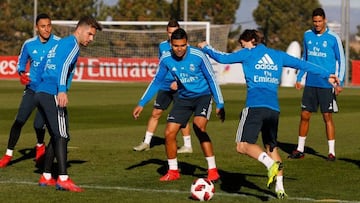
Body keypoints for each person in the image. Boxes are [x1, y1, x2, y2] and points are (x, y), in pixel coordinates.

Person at [198, 29, 339, 199]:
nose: (241, 45)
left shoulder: (248, 54)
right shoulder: (278, 55)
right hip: (273, 110)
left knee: (242, 145)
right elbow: (304, 64)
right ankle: (280, 188)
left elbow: (222, 58)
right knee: (271, 148)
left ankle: (270, 164)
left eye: (242, 42)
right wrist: (327, 75)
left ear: (250, 40)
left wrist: (206, 47)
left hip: (255, 107)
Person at [133, 28, 225, 182]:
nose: (179, 49)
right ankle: (173, 171)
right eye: (176, 46)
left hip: (203, 96)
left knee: (199, 126)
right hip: (183, 98)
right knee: (169, 133)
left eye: (182, 45)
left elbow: (211, 79)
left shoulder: (198, 55)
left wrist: (220, 103)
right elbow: (157, 81)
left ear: (187, 43)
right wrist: (142, 103)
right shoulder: (166, 58)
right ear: (171, 45)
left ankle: (213, 170)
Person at [35, 16, 102, 192]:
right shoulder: (73, 44)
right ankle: (63, 178)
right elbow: (64, 66)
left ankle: (47, 176)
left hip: (41, 92)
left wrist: (38, 86)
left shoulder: (58, 44)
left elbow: (42, 65)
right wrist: (62, 90)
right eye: (90, 34)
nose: (91, 38)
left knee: (57, 135)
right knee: (63, 136)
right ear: (80, 29)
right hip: (53, 92)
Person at [0, 13, 60, 168]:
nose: (47, 29)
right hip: (32, 89)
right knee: (19, 120)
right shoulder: (29, 44)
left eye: (49, 26)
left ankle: (40, 145)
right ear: (36, 28)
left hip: (48, 91)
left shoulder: (59, 44)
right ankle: (8, 155)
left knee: (38, 125)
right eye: (43, 26)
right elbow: (21, 63)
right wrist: (21, 74)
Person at [288, 8, 345, 161]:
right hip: (311, 83)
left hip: (327, 84)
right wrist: (300, 77)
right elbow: (304, 57)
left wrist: (340, 82)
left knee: (327, 116)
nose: (317, 24)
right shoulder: (307, 35)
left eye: (320, 21)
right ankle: (300, 149)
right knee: (304, 115)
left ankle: (331, 152)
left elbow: (342, 60)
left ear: (324, 20)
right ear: (312, 21)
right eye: (315, 21)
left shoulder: (334, 38)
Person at [133, 20, 193, 153]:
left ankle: (187, 145)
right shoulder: (162, 47)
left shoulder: (184, 47)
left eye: (175, 32)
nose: (172, 35)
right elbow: (163, 66)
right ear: (167, 32)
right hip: (165, 86)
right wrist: (142, 103)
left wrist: (179, 82)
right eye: (170, 32)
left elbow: (188, 69)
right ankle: (147, 142)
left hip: (180, 87)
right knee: (156, 113)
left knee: (181, 116)